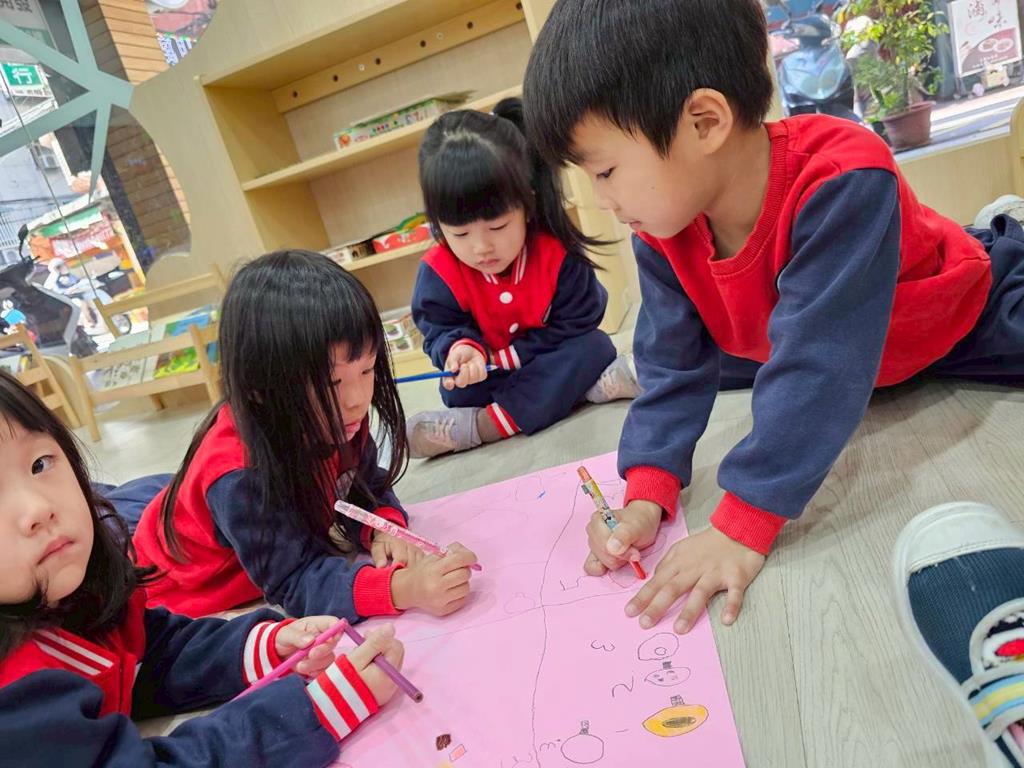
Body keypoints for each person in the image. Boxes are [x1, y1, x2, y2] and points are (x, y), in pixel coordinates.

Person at [522, 0, 1024, 633]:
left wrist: (743, 522)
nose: (602, 200)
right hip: (799, 333)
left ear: (704, 122)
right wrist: (647, 489)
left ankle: (1004, 224)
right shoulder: (661, 232)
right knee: (722, 361)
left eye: (606, 171)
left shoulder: (843, 175)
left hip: (951, 316)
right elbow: (672, 364)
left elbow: (819, 367)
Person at [0, 369, 407, 766]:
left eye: (40, 464)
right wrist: (318, 710)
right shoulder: (17, 706)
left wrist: (262, 645)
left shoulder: (73, 592)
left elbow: (151, 651)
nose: (39, 509)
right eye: (332, 381)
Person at [133, 251, 478, 619]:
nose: (357, 399)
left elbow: (363, 486)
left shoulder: (335, 414)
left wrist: (383, 527)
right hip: (178, 589)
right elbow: (294, 581)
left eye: (367, 370)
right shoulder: (239, 475)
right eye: (332, 383)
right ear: (261, 387)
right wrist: (402, 589)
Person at [406, 97, 639, 458]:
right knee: (458, 391)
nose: (481, 247)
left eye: (498, 226)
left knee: (594, 347)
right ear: (437, 226)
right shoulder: (438, 270)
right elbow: (439, 327)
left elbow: (580, 320)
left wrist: (518, 354)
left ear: (527, 206)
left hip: (548, 359)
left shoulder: (554, 251)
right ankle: (586, 390)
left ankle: (483, 427)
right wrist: (460, 350)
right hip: (492, 375)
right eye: (460, 234)